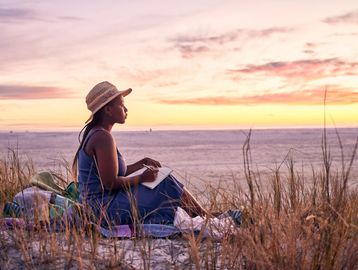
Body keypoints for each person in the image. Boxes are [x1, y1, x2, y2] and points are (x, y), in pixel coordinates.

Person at [72, 81, 208, 226]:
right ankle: (204, 216)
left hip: (100, 206)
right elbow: (110, 183)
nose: (126, 109)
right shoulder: (103, 137)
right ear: (108, 110)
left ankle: (201, 215)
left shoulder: (98, 134)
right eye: (121, 104)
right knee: (166, 182)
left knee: (163, 179)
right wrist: (141, 178)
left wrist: (142, 163)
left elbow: (115, 173)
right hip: (103, 210)